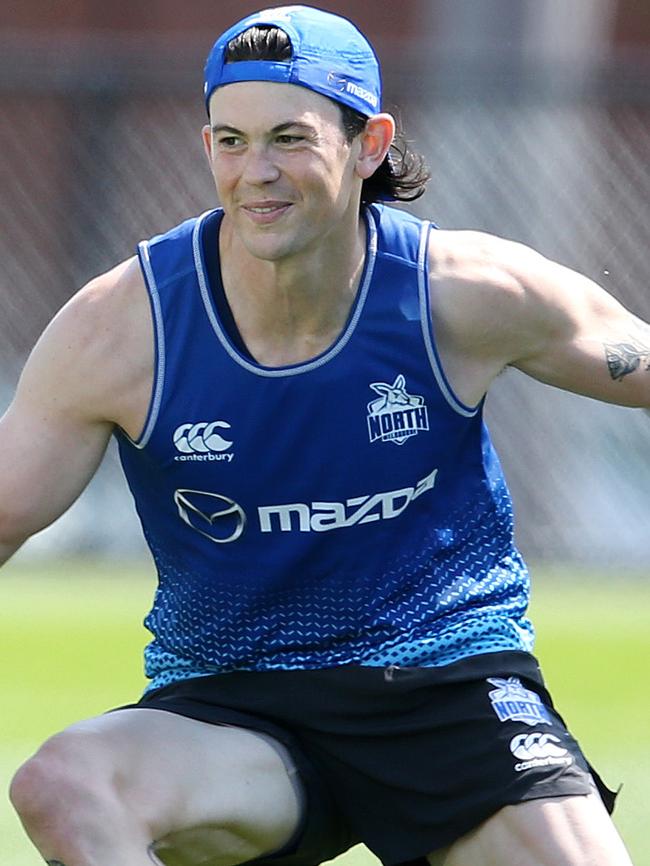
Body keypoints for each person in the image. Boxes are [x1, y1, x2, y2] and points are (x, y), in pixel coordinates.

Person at [3, 6, 647, 866]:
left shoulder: (463, 293)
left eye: (289, 138)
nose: (256, 172)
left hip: (442, 687)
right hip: (235, 713)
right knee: (64, 783)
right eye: (230, 140)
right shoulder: (124, 329)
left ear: (370, 143)